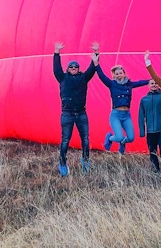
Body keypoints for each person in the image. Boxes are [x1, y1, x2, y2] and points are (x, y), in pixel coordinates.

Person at [92, 43, 149, 155]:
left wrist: (152, 80)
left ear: (124, 74)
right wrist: (96, 63)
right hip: (116, 115)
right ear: (114, 75)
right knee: (118, 136)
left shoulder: (129, 84)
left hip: (126, 115)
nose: (119, 75)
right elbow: (101, 75)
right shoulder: (112, 84)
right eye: (116, 74)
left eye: (120, 73)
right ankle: (109, 139)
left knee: (131, 138)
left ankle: (123, 143)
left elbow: (141, 82)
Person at [52, 42, 97, 176]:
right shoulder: (63, 78)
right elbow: (56, 68)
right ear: (68, 69)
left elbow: (92, 69)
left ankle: (85, 160)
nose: (73, 68)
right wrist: (56, 53)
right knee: (65, 139)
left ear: (78, 69)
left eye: (76, 67)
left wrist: (96, 53)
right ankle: (62, 162)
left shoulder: (83, 78)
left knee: (85, 139)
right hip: (67, 114)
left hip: (81, 113)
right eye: (71, 67)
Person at [138, 80, 161, 172]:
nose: (154, 85)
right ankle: (155, 170)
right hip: (150, 131)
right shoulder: (144, 100)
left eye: (156, 83)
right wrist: (142, 130)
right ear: (148, 85)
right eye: (152, 83)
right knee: (152, 151)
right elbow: (141, 116)